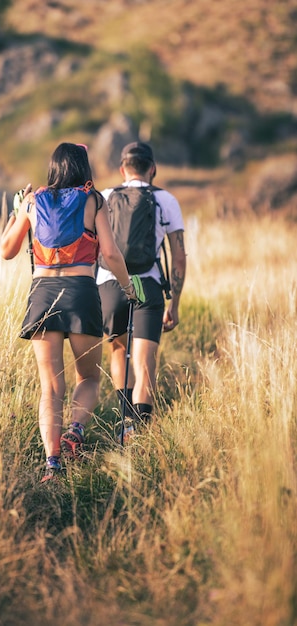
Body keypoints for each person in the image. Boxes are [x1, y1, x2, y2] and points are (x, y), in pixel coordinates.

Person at [1, 142, 143, 482]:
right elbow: (109, 252)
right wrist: (126, 287)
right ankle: (75, 432)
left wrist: (15, 211)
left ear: (53, 167)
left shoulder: (33, 200)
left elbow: (6, 251)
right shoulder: (94, 200)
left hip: (43, 295)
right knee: (89, 378)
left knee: (50, 388)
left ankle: (53, 464)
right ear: (83, 167)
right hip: (80, 294)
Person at [96, 141, 186, 439]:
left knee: (119, 349)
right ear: (153, 169)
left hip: (110, 283)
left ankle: (125, 424)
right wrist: (174, 302)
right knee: (145, 358)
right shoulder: (166, 200)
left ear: (122, 169)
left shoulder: (106, 196)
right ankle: (141, 434)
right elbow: (179, 256)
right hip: (147, 284)